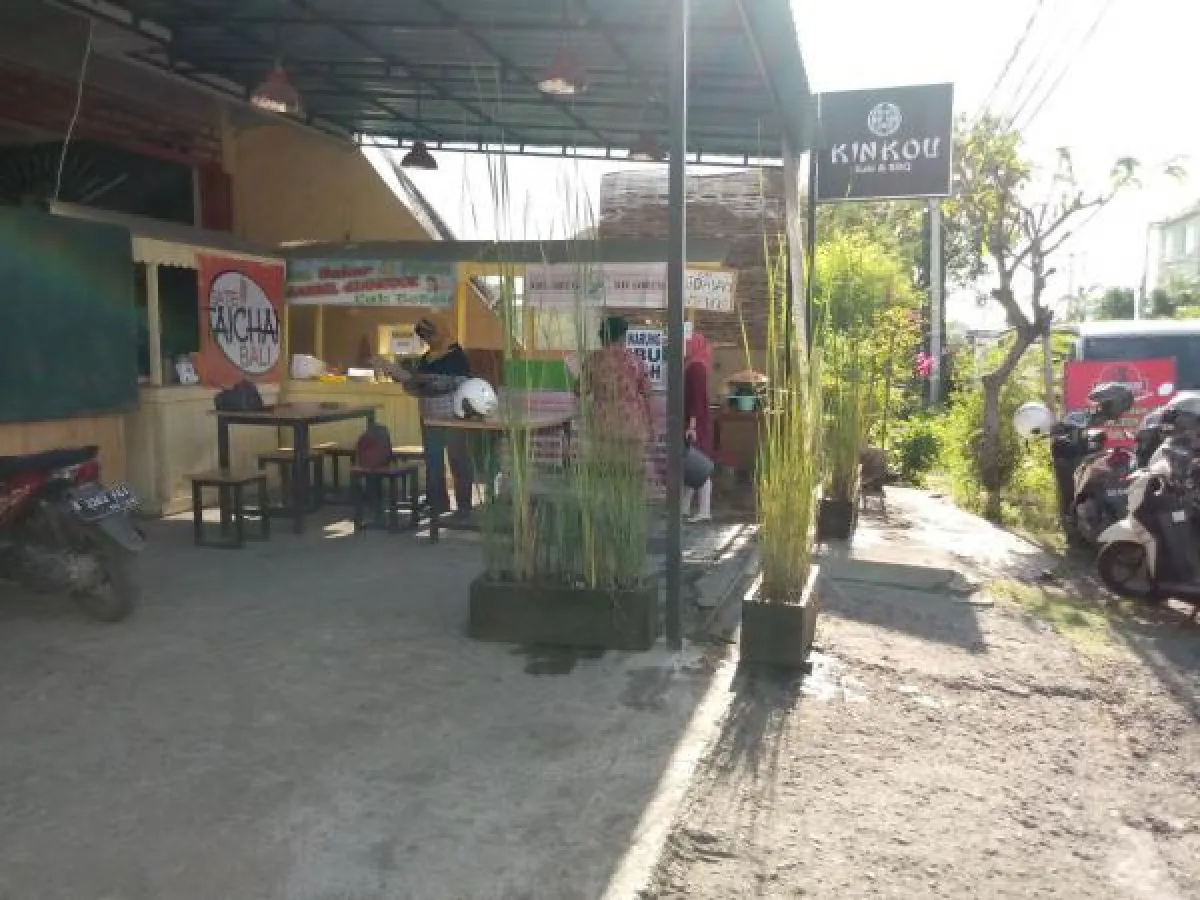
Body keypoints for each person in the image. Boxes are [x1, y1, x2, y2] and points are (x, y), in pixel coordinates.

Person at [576, 315, 655, 476]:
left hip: (602, 425)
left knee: (603, 475)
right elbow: (648, 395)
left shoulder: (593, 360)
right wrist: (652, 425)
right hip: (631, 426)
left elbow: (579, 391)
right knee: (632, 477)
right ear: (622, 336)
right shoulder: (635, 361)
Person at [414, 314, 474, 518]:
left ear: (441, 332)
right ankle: (438, 504)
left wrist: (433, 381)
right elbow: (416, 386)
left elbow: (463, 383)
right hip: (429, 416)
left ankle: (464, 506)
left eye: (430, 335)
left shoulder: (457, 356)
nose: (428, 340)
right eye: (424, 337)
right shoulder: (425, 358)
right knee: (433, 461)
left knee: (458, 460)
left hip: (453, 416)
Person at [683, 330, 714, 522]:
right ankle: (684, 508)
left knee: (699, 466)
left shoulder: (695, 368)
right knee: (691, 464)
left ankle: (704, 511)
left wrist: (691, 426)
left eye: (688, 343)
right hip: (695, 421)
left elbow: (695, 400)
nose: (685, 347)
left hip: (694, 423)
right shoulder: (697, 365)